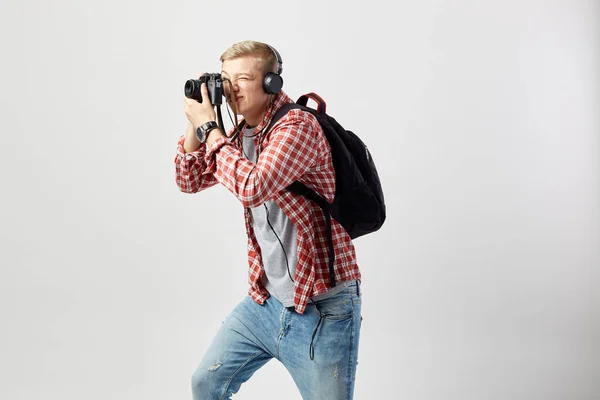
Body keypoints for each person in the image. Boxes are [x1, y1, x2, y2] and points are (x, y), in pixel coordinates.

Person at [175, 40, 362, 400]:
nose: (232, 89)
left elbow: (252, 185)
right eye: (226, 79)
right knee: (206, 382)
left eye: (243, 79)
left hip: (324, 309)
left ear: (272, 84)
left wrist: (209, 130)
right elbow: (189, 180)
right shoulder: (241, 130)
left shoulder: (297, 127)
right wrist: (196, 120)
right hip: (268, 302)